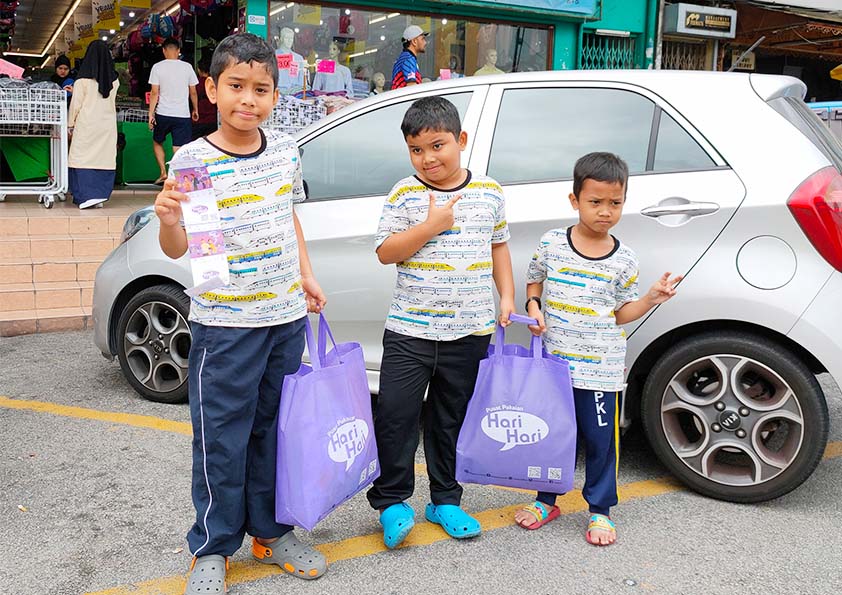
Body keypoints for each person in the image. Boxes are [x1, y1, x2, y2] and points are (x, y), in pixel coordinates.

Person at [153, 33, 328, 594]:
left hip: (284, 318)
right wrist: (168, 218)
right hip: (225, 323)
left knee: (275, 431)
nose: (248, 100)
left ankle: (271, 532)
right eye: (236, 87)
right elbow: (186, 250)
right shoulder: (192, 159)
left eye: (261, 89)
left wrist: (305, 274)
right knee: (221, 436)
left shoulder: (284, 150)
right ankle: (213, 545)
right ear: (211, 89)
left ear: (275, 96)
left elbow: (289, 218)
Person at [368, 96, 515, 549]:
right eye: (417, 150)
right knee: (396, 416)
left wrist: (506, 295)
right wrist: (431, 225)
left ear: (461, 140)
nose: (428, 158)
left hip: (469, 331)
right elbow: (386, 252)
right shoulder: (405, 193)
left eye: (438, 145)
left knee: (449, 419)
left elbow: (498, 247)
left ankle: (445, 500)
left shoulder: (489, 192)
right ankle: (393, 502)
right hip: (410, 330)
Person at [514, 152, 682, 545]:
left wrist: (651, 298)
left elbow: (623, 314)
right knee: (553, 434)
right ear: (574, 200)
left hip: (601, 368)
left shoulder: (624, 260)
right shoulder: (552, 243)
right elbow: (534, 282)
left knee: (601, 439)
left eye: (615, 203)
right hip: (556, 365)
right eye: (595, 202)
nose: (605, 212)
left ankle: (600, 510)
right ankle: (546, 499)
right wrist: (534, 307)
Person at [67, 40, 119, 210]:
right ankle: (99, 195)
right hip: (107, 126)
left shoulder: (82, 80)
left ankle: (86, 196)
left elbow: (76, 105)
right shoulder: (115, 81)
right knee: (103, 158)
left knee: (81, 157)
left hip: (87, 124)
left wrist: (70, 124)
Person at [148, 37, 199, 184]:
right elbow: (193, 92)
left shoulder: (157, 67)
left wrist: (150, 114)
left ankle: (163, 172)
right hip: (182, 114)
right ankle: (177, 178)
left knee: (158, 142)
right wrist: (195, 109)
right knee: (179, 148)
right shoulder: (187, 67)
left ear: (164, 50)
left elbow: (154, 93)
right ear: (178, 51)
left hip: (162, 113)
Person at [391, 24, 427, 89]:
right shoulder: (408, 59)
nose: (425, 42)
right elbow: (412, 87)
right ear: (414, 42)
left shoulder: (406, 57)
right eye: (422, 39)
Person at [191, 58, 217, 141]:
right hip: (212, 119)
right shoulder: (214, 83)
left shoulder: (195, 83)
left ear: (198, 69)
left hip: (198, 120)